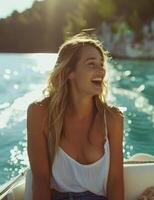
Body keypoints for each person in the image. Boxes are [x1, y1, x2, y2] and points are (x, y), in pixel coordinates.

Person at [26, 33, 124, 199]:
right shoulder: (40, 113)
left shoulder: (113, 118)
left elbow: (115, 181)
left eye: (101, 64)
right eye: (91, 64)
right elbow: (40, 180)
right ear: (69, 72)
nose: (101, 70)